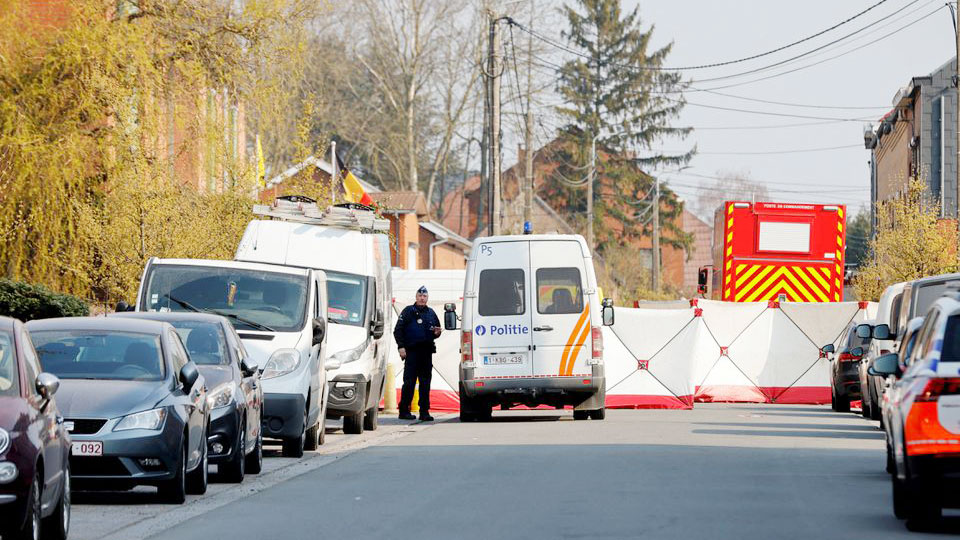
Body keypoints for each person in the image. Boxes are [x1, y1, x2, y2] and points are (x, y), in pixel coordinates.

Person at [394, 286, 441, 421]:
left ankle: (424, 411)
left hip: (426, 353)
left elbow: (435, 331)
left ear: (427, 298)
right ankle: (404, 410)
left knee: (425, 383)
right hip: (412, 352)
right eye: (420, 296)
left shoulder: (431, 313)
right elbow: (398, 330)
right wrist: (401, 347)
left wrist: (437, 333)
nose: (422, 298)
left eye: (424, 296)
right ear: (416, 297)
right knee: (409, 382)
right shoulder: (408, 311)